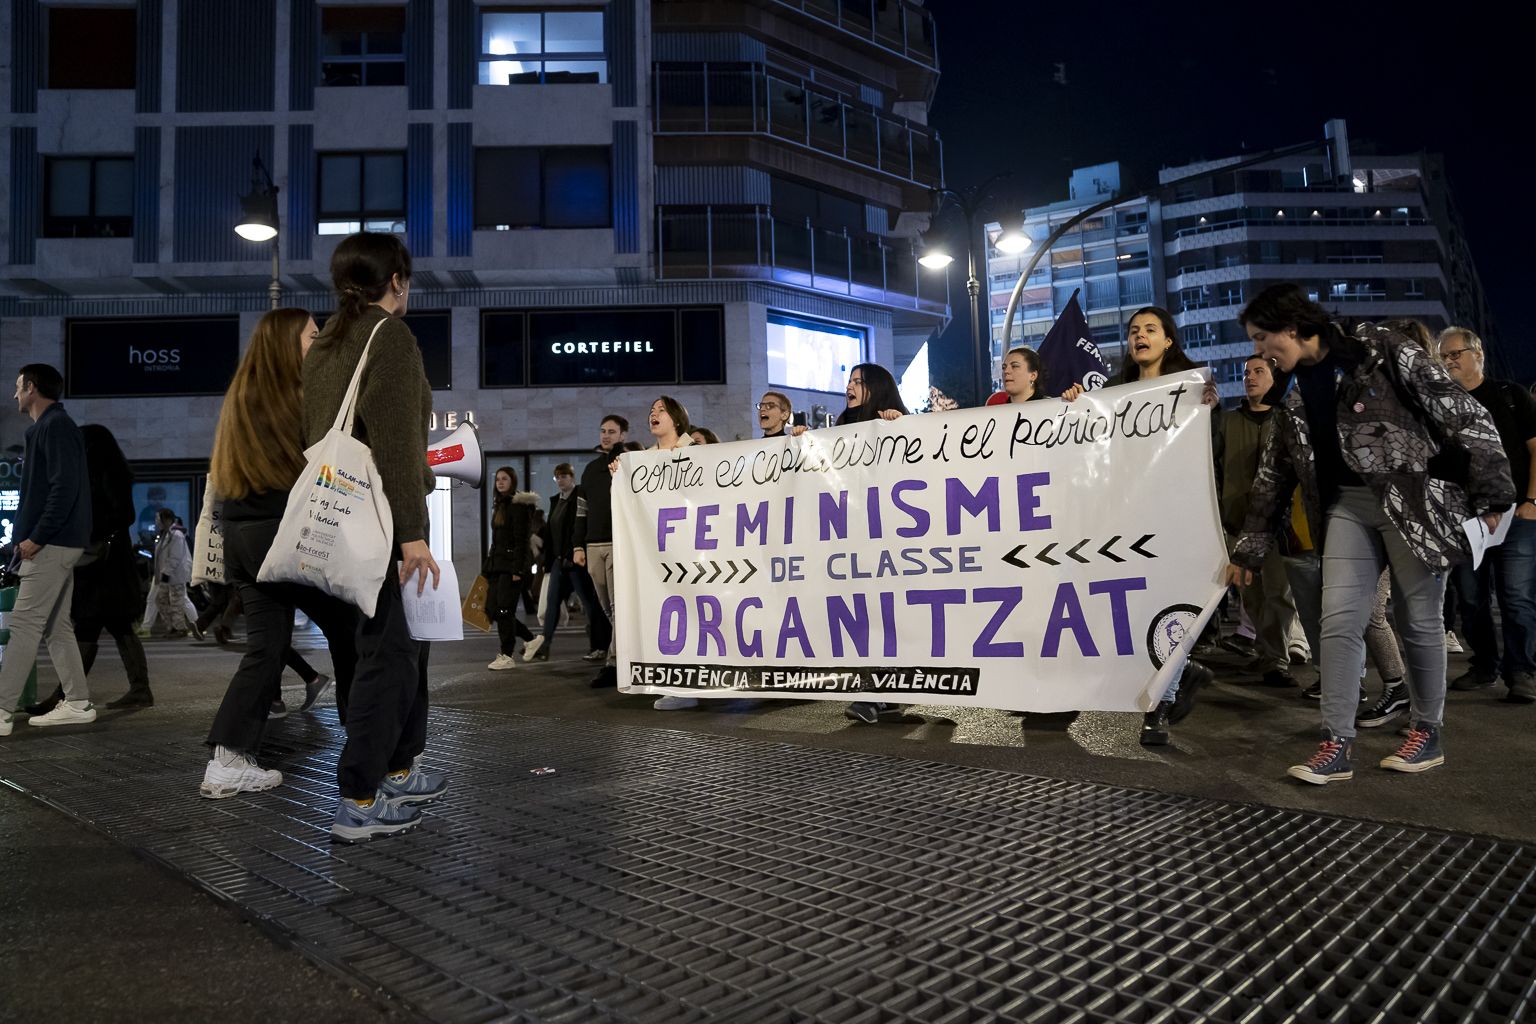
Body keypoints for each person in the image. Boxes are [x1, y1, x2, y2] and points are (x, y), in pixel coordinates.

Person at [1229, 284, 1514, 784]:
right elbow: (1274, 475)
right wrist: (1249, 551)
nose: (1259, 352)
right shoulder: (1291, 397)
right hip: (1347, 507)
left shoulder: (1382, 347)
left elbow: (1465, 413)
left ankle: (1427, 732)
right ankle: (1335, 743)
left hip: (1413, 503)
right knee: (1338, 621)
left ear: (1290, 328)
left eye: (1261, 337)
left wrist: (1494, 494)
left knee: (1418, 618)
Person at [299, 233, 443, 841]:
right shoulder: (390, 338)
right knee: (390, 659)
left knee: (390, 653)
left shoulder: (325, 344)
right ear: (398, 281)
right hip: (382, 526)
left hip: (338, 524)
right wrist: (413, 535)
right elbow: (395, 450)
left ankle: (396, 768)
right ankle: (358, 798)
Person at [199, 308, 361, 799]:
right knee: (351, 628)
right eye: (314, 335)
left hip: (242, 538)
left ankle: (227, 761)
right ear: (289, 343)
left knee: (266, 647)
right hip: (284, 535)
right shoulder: (300, 396)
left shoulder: (241, 398)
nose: (321, 341)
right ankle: (369, 746)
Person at [1064, 307, 1218, 745]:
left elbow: (1211, 450)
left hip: (1178, 514)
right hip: (1126, 517)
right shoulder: (1112, 392)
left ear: (1169, 340)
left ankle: (1158, 707)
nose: (1140, 336)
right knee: (1127, 609)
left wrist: (1211, 409)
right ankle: (1183, 671)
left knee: (1170, 605)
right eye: (1134, 331)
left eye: (1151, 329)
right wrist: (1078, 404)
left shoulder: (1194, 388)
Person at [790, 364, 909, 723]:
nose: (850, 387)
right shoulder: (837, 431)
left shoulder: (899, 423)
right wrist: (801, 442)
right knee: (860, 618)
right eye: (849, 381)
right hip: (846, 543)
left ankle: (880, 692)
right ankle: (875, 691)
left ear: (878, 388)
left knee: (885, 616)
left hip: (887, 541)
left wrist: (900, 426)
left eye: (859, 382)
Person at [1437, 326, 1536, 703]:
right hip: (1467, 520)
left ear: (1478, 354)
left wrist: (1532, 501)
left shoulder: (1511, 396)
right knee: (1471, 597)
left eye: (1454, 354)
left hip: (1517, 515)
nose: (1448, 362)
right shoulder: (1443, 407)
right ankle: (1484, 665)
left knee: (1517, 597)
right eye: (1443, 357)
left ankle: (1520, 670)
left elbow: (1534, 449)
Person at [0, 364, 96, 736]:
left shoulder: (54, 426)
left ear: (32, 388)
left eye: (18, 387)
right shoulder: (52, 426)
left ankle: (2, 710)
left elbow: (63, 488)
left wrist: (36, 536)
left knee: (25, 624)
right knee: (57, 626)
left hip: (52, 543)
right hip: (58, 541)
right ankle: (78, 702)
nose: (14, 395)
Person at [1222, 356, 1303, 687]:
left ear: (1274, 379)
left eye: (1259, 372)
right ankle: (1268, 652)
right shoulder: (1225, 422)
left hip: (1277, 526)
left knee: (1279, 594)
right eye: (1246, 373)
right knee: (1250, 596)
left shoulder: (1288, 421)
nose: (1250, 378)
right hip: (1235, 525)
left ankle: (1277, 659)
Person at [639, 398, 706, 711]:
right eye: (652, 410)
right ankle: (673, 678)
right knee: (663, 612)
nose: (654, 414)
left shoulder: (695, 452)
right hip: (657, 551)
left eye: (661, 410)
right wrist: (620, 472)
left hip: (690, 548)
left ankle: (690, 683)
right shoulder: (644, 460)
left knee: (690, 610)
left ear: (678, 418)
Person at [524, 463, 608, 663]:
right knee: (552, 604)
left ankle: (599, 646)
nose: (561, 480)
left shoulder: (578, 497)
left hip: (576, 562)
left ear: (572, 477)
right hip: (558, 562)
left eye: (564, 476)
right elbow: (552, 533)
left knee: (590, 605)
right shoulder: (557, 501)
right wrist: (548, 560)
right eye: (557, 477)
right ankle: (544, 647)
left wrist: (576, 552)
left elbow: (578, 528)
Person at [573, 414, 629, 686]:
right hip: (593, 544)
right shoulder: (590, 469)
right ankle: (622, 654)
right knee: (607, 607)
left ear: (622, 435)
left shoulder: (627, 463)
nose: (606, 435)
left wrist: (622, 460)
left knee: (619, 607)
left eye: (612, 431)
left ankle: (614, 663)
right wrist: (577, 544)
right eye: (603, 430)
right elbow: (581, 511)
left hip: (618, 542)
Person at [484, 466, 540, 670]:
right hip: (497, 566)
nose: (500, 482)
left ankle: (507, 655)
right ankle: (530, 639)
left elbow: (521, 541)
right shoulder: (500, 505)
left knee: (504, 611)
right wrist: (487, 567)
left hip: (511, 568)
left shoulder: (519, 506)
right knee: (493, 610)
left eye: (504, 479)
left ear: (512, 481)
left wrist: (518, 570)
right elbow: (496, 541)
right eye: (498, 479)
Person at [148, 508, 200, 638]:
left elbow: (175, 557)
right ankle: (171, 627)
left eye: (158, 518)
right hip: (166, 576)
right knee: (161, 600)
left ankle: (180, 629)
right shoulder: (165, 534)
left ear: (167, 519)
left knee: (176, 603)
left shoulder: (176, 535)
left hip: (174, 576)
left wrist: (166, 573)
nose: (157, 521)